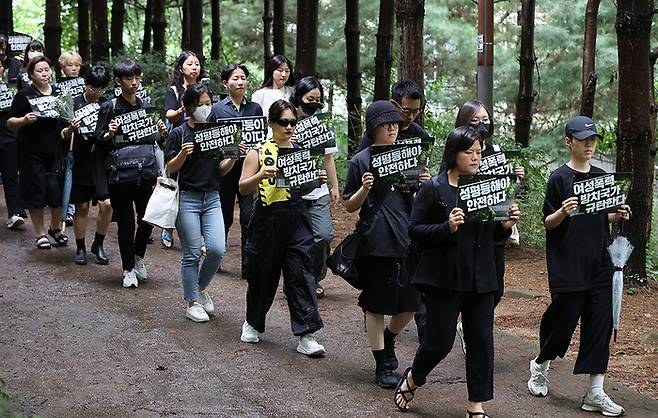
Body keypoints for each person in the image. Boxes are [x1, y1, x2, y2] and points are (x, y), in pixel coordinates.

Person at [393, 126, 520, 417]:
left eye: (479, 151)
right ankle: (414, 377)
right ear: (454, 154)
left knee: (481, 341)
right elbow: (414, 230)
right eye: (469, 152)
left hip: (481, 277)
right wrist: (446, 227)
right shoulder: (434, 188)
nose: (476, 157)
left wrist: (505, 225)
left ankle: (476, 404)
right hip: (445, 278)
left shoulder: (489, 187)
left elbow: (494, 235)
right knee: (439, 343)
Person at [527, 116, 629, 417]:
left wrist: (617, 214)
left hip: (599, 263)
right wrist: (562, 211)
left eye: (593, 139)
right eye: (583, 138)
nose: (589, 144)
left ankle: (595, 392)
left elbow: (598, 217)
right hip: (567, 264)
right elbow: (548, 223)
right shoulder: (559, 178)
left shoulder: (601, 176)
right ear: (568, 141)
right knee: (562, 323)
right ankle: (541, 363)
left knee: (599, 325)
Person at [343, 100, 427, 388]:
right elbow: (348, 205)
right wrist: (365, 188)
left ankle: (388, 339)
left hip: (408, 239)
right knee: (376, 305)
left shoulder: (408, 156)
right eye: (386, 124)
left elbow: (420, 200)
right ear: (374, 127)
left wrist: (424, 183)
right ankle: (381, 363)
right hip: (376, 241)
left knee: (411, 304)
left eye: (395, 124)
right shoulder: (361, 160)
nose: (392, 128)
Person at [238, 99, 326, 357]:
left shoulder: (301, 151)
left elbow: (304, 188)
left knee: (300, 274)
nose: (289, 127)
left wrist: (315, 180)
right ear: (271, 123)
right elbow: (243, 187)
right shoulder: (258, 152)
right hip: (267, 219)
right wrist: (261, 175)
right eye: (283, 122)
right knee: (263, 275)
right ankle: (252, 322)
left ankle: (306, 333)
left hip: (297, 219)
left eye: (292, 122)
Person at [165, 84, 234, 322]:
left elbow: (221, 170)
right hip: (187, 197)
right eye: (200, 104)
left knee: (217, 249)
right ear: (188, 106)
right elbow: (169, 168)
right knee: (192, 253)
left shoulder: (216, 131)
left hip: (212, 196)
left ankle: (201, 288)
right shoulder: (179, 132)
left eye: (208, 103)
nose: (205, 108)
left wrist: (233, 156)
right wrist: (183, 154)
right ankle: (192, 301)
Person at [94, 59, 166, 288]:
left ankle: (137, 257)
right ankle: (128, 270)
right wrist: (109, 133)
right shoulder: (110, 107)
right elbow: (97, 139)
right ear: (118, 81)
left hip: (144, 174)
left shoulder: (145, 106)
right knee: (126, 223)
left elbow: (153, 140)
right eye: (128, 78)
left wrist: (160, 132)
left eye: (137, 77)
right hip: (120, 176)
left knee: (148, 219)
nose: (134, 82)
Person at [207, 63, 262, 277]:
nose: (240, 82)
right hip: (225, 171)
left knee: (249, 217)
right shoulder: (217, 109)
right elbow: (211, 142)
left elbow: (259, 138)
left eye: (243, 78)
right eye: (235, 78)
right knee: (224, 216)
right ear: (225, 83)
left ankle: (247, 266)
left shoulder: (255, 108)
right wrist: (230, 149)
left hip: (249, 171)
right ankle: (215, 258)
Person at [7, 55, 67, 249]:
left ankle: (56, 229)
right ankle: (40, 233)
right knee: (36, 191)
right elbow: (10, 122)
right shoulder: (24, 95)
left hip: (57, 149)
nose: (44, 74)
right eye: (39, 71)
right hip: (31, 151)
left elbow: (68, 116)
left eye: (47, 70)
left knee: (57, 191)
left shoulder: (59, 92)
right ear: (31, 75)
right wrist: (24, 120)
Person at [290, 76, 339, 298]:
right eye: (310, 98)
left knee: (324, 235)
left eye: (318, 100)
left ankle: (316, 275)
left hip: (318, 191)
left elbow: (328, 158)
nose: (314, 103)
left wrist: (334, 186)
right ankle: (298, 278)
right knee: (296, 239)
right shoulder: (286, 121)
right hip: (294, 191)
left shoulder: (321, 125)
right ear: (299, 97)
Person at [60, 64, 112, 266]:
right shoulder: (73, 103)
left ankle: (98, 244)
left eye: (101, 89)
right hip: (81, 160)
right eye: (93, 88)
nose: (97, 92)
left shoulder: (108, 104)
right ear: (85, 84)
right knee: (81, 206)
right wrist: (70, 130)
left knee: (106, 205)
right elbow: (62, 135)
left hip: (103, 161)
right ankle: (80, 247)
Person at [160, 51, 203, 249]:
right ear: (181, 68)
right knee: (175, 183)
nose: (194, 67)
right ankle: (168, 227)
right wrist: (181, 110)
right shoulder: (175, 90)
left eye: (197, 64)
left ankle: (199, 233)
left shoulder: (204, 88)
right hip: (179, 139)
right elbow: (169, 114)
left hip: (201, 138)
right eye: (190, 64)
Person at [357, 80, 430, 152]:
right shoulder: (378, 131)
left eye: (415, 111)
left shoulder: (420, 134)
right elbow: (359, 160)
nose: (411, 117)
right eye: (406, 111)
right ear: (393, 104)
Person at [0, 34, 26, 229]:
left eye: (3, 47)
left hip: (9, 125)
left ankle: (15, 213)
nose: (1, 51)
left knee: (11, 171)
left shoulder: (15, 65)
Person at [58, 50, 84, 226]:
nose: (74, 69)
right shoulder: (59, 87)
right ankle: (67, 208)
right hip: (65, 132)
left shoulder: (84, 85)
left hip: (82, 133)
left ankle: (72, 207)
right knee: (67, 170)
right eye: (70, 65)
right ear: (63, 67)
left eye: (77, 65)